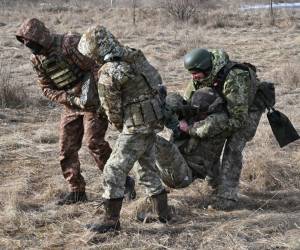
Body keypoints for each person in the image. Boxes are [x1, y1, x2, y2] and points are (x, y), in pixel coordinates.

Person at [16, 18, 135, 205]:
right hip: (71, 104)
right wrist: (70, 98)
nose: (29, 47)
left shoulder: (69, 43)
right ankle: (77, 191)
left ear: (41, 37)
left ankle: (122, 182)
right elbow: (46, 87)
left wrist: (96, 94)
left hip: (93, 101)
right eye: (25, 43)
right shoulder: (37, 59)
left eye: (31, 42)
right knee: (66, 149)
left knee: (94, 143)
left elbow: (97, 66)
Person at [77, 25, 172, 233]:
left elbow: (112, 110)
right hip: (153, 119)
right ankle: (162, 212)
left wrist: (123, 126)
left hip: (136, 125)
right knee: (146, 166)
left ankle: (111, 221)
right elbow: (156, 81)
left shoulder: (109, 72)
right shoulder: (134, 55)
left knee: (113, 169)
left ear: (95, 51)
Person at [182, 48, 265, 210]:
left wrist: (208, 127)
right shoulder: (200, 75)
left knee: (233, 148)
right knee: (211, 140)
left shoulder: (235, 79)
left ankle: (228, 197)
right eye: (191, 73)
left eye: (196, 73)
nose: (193, 77)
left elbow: (238, 119)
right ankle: (215, 185)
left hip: (248, 109)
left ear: (206, 68)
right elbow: (187, 101)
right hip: (225, 108)